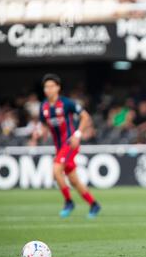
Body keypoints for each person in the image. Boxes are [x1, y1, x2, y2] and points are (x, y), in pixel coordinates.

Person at [34, 74, 101, 218]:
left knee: (56, 169)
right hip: (59, 147)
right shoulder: (44, 106)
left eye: (52, 86)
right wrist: (38, 133)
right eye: (46, 87)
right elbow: (43, 125)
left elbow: (85, 116)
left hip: (70, 143)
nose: (49, 89)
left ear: (58, 87)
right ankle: (94, 204)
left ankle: (68, 201)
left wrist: (77, 134)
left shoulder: (67, 103)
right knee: (73, 180)